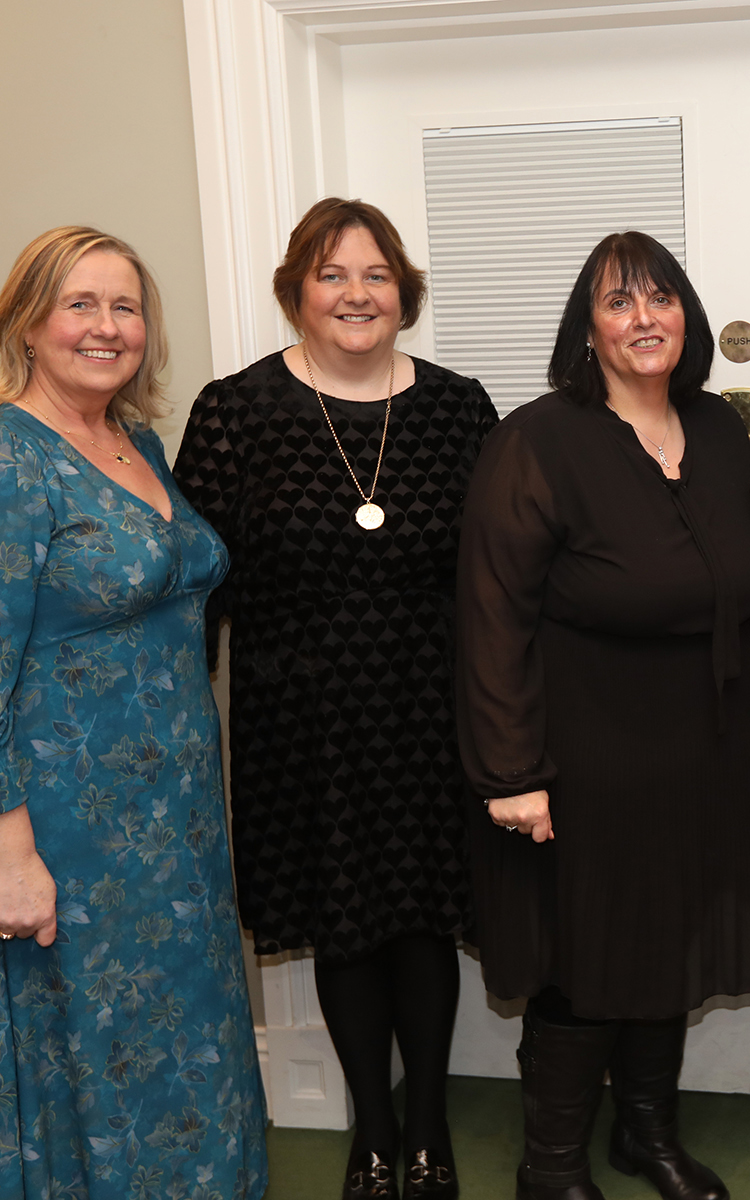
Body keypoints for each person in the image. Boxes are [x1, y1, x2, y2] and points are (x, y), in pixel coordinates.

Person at [173, 198, 498, 1200]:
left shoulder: (458, 409)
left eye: (376, 275)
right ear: (296, 294)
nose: (357, 294)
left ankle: (430, 1125)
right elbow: (194, 589)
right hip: (300, 722)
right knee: (342, 922)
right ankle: (374, 1129)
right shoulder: (235, 412)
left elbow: (503, 573)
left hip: (429, 715)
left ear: (404, 294)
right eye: (332, 274)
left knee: (423, 920)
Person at [456, 231, 750, 1200]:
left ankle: (647, 1135)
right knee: (587, 956)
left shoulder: (718, 428)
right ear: (587, 330)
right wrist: (511, 773)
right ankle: (551, 1165)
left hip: (709, 749)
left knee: (669, 942)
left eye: (661, 297)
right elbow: (490, 617)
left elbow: (747, 579)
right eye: (618, 301)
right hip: (583, 758)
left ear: (687, 316)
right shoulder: (538, 440)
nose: (645, 318)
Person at [0, 227, 268, 1198]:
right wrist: (8, 853)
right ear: (28, 324)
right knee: (95, 1044)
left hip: (175, 819)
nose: (106, 327)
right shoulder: (6, 459)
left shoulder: (137, 441)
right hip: (68, 827)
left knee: (185, 1027)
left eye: (126, 307)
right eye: (79, 304)